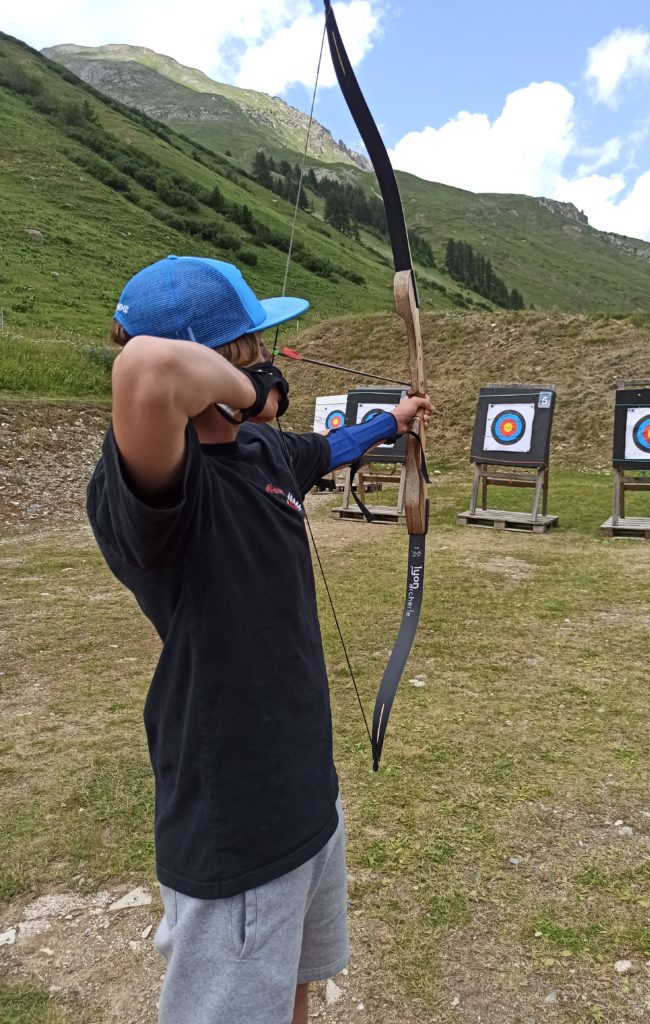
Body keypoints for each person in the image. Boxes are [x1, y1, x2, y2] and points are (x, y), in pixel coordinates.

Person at [86, 254, 434, 1024]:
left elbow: (324, 450)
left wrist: (392, 424)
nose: (271, 358)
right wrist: (251, 390)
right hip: (234, 822)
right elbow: (146, 370)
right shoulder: (152, 499)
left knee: (293, 987)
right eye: (255, 344)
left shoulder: (262, 452)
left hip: (305, 793)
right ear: (225, 363)